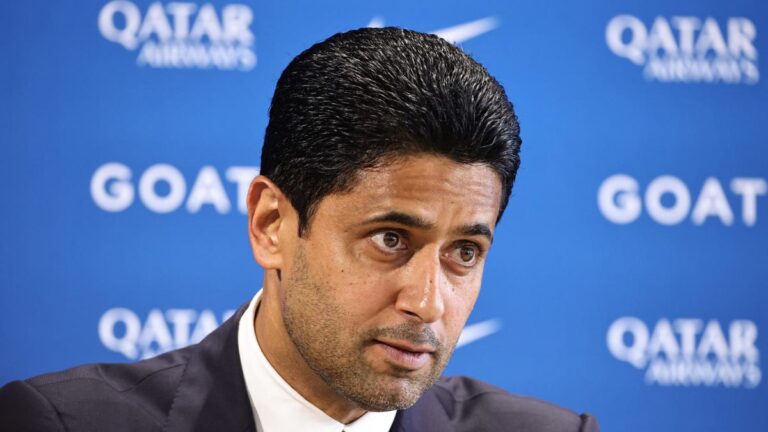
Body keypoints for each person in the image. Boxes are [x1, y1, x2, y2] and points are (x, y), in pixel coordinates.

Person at [0, 27, 599, 431]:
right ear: (271, 225)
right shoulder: (61, 422)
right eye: (391, 239)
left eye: (464, 252)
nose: (428, 303)